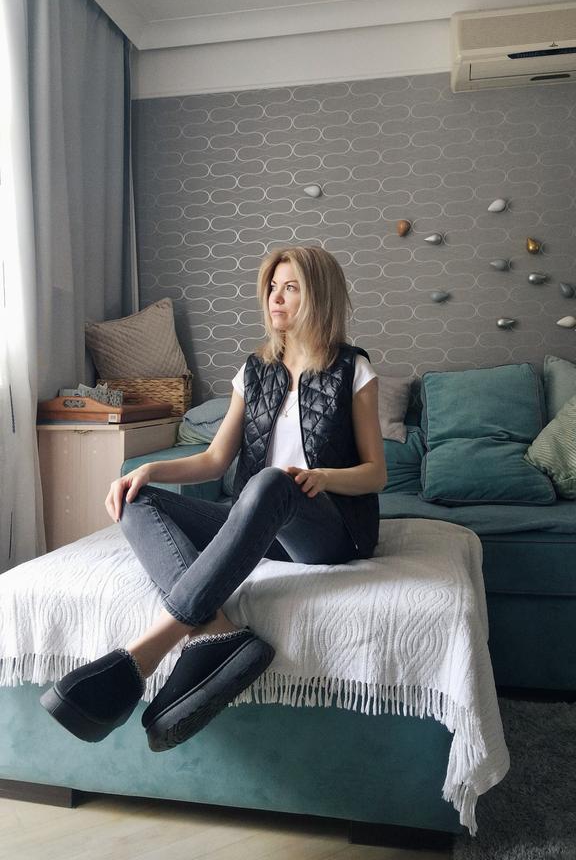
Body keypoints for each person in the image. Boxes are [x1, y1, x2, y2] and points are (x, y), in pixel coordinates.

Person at [40, 245, 387, 752]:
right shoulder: (255, 370)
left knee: (270, 482)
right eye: (272, 287)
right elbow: (214, 459)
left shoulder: (353, 369)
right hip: (262, 527)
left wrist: (323, 477)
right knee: (137, 499)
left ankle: (144, 654)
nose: (276, 298)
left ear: (319, 297)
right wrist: (147, 470)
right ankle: (218, 634)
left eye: (291, 288)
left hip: (328, 532)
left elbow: (376, 474)